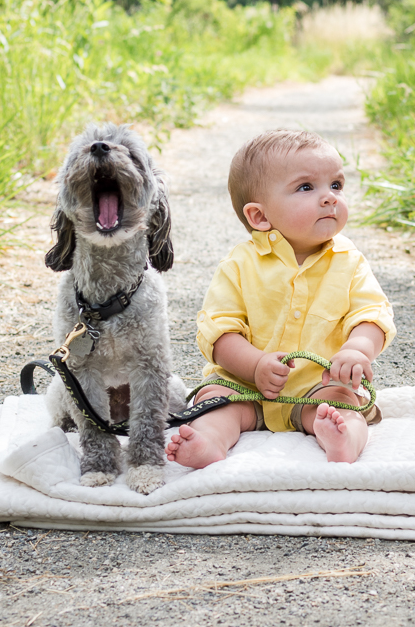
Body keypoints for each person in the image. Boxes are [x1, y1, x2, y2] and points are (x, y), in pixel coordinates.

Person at [165, 128, 394, 466]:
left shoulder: (350, 261)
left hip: (318, 385)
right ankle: (210, 441)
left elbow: (372, 313)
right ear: (260, 216)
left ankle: (343, 438)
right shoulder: (240, 264)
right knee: (217, 398)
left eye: (336, 185)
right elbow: (219, 332)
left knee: (343, 402)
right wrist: (255, 365)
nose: (330, 197)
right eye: (306, 187)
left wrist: (357, 349)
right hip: (245, 384)